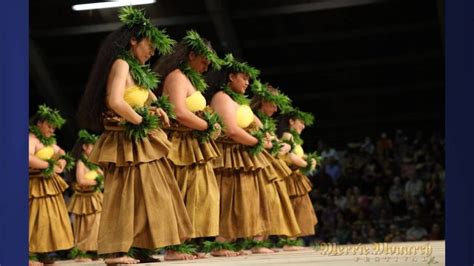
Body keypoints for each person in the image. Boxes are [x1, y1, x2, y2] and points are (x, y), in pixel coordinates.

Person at [77, 7, 193, 264]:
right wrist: (143, 120)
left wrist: (159, 111)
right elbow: (115, 101)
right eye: (149, 44)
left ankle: (142, 246)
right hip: (125, 140)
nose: (152, 51)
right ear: (133, 40)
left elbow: (153, 101)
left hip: (142, 141)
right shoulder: (120, 64)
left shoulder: (139, 73)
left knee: (152, 193)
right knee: (125, 195)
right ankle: (115, 252)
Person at [152, 30, 223, 257]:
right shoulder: (176, 77)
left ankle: (189, 242)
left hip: (193, 142)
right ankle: (174, 246)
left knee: (201, 194)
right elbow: (179, 112)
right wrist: (208, 126)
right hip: (180, 143)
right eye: (204, 61)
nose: (206, 67)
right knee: (182, 192)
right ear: (192, 55)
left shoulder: (188, 79)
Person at [207, 53, 275, 256]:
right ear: (231, 77)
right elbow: (232, 130)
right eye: (244, 78)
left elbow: (259, 126)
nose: (247, 82)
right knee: (229, 196)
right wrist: (259, 141)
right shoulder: (222, 97)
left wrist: (266, 137)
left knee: (244, 198)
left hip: (242, 154)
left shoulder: (238, 101)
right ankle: (221, 242)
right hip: (229, 154)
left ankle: (234, 240)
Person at [249, 81, 302, 250]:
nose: (276, 110)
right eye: (273, 105)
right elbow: (264, 141)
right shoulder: (252, 116)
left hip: (266, 164)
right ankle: (255, 242)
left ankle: (261, 240)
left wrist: (280, 145)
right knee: (262, 201)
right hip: (256, 164)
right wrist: (280, 146)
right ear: (263, 102)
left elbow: (272, 141)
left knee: (270, 200)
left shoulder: (265, 121)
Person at [28, 104, 74, 265]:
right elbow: (27, 157)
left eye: (54, 128)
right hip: (34, 185)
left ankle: (45, 252)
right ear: (39, 123)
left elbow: (63, 154)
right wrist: (49, 165)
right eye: (50, 126)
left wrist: (61, 163)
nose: (52, 130)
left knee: (50, 219)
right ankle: (29, 254)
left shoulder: (49, 143)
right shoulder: (31, 139)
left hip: (50, 185)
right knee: (34, 218)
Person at [276, 107, 318, 242]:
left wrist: (309, 159)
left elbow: (298, 155)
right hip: (290, 176)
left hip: (296, 176)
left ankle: (292, 240)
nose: (303, 126)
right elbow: (290, 157)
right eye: (301, 122)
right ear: (291, 122)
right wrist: (306, 164)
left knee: (298, 207)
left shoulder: (294, 138)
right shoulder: (287, 136)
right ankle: (289, 240)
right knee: (293, 207)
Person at [66, 130, 103, 262]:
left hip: (95, 197)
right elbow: (81, 180)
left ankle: (95, 250)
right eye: (93, 146)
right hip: (84, 199)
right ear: (85, 147)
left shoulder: (92, 163)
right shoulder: (81, 163)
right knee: (85, 225)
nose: (95, 149)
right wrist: (97, 181)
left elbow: (103, 176)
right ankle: (82, 252)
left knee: (96, 225)